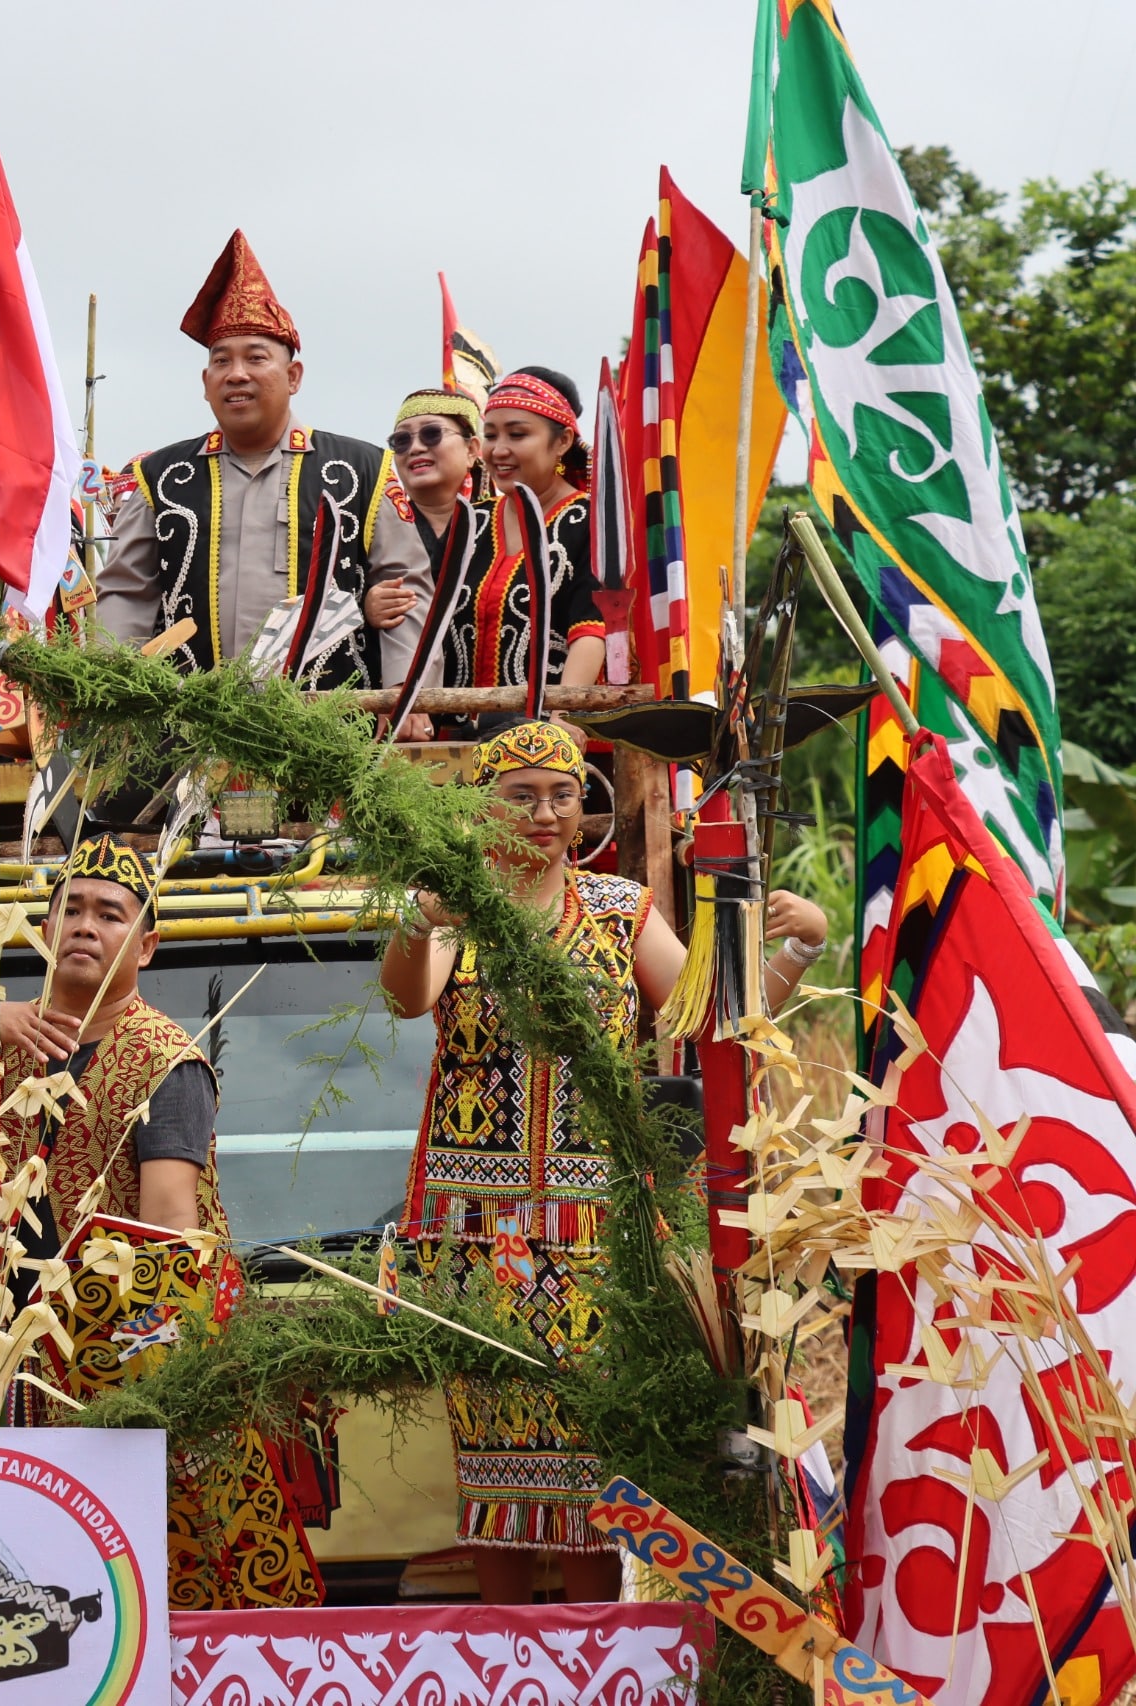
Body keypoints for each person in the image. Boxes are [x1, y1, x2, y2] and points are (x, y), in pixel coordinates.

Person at [377, 719, 829, 1602]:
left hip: (596, 1231)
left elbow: (711, 1019)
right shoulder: (459, 907)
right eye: (521, 796)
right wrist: (418, 917)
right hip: (477, 1232)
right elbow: (407, 997)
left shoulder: (621, 910)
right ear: (481, 807)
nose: (546, 814)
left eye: (563, 795)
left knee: (591, 1458)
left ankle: (588, 1652)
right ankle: (508, 1653)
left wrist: (801, 945)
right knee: (492, 1460)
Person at [0, 834, 326, 1611]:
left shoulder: (165, 1062)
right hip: (16, 1359)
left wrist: (138, 1402)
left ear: (145, 946)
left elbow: (167, 1240)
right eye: (71, 909)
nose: (86, 925)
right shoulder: (4, 1042)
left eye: (110, 914)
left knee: (164, 1584)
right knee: (37, 1590)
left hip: (132, 1365)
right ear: (43, 930)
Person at [95, 230, 427, 687]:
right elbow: (127, 594)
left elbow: (405, 593)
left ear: (294, 376)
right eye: (221, 361)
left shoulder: (362, 470)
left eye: (255, 358)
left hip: (330, 719)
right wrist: (112, 690)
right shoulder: (161, 479)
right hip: (189, 717)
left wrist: (407, 697)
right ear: (205, 382)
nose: (237, 374)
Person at [470, 368, 607, 692]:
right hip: (453, 720)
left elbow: (590, 629)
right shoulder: (471, 523)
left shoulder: (591, 521)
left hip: (547, 721)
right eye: (491, 435)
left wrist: (561, 715)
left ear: (562, 441)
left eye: (517, 435)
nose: (498, 450)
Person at [366, 388, 488, 737]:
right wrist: (365, 609)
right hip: (400, 728)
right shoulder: (372, 526)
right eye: (401, 441)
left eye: (432, 434)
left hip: (492, 723)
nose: (415, 448)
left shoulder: (502, 525)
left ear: (472, 449)